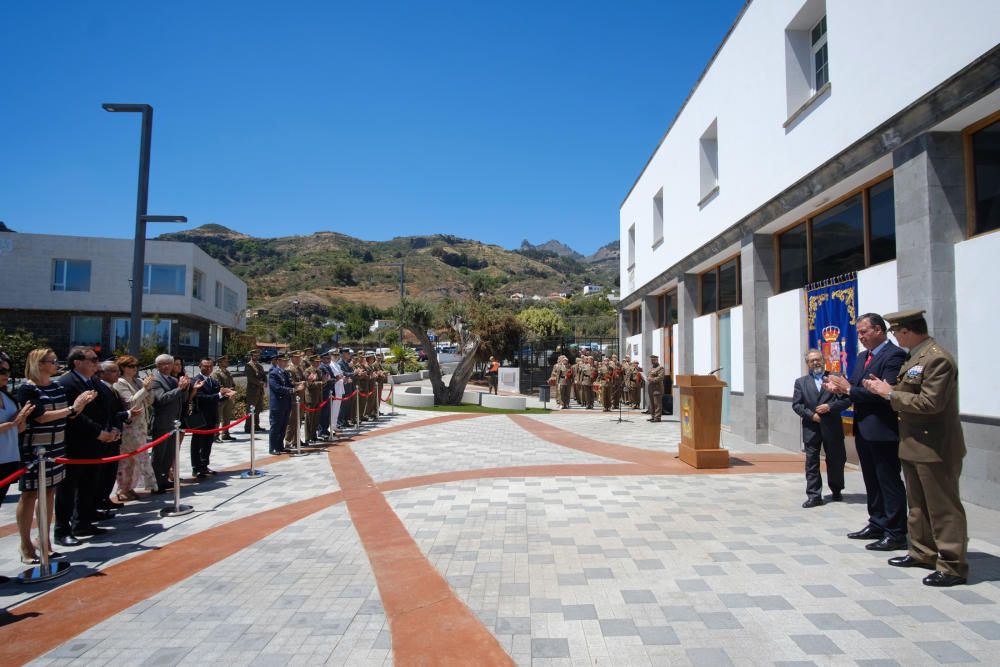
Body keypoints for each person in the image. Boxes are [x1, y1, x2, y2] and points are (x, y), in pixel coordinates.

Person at [863, 309, 969, 587]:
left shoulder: (937, 359)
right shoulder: (915, 357)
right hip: (913, 443)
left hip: (934, 446)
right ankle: (922, 552)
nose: (894, 337)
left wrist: (890, 394)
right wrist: (888, 389)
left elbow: (931, 404)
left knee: (943, 507)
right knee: (919, 505)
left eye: (896, 332)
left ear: (907, 331)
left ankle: (952, 564)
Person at [824, 313, 908, 551]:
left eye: (864, 332)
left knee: (888, 481)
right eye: (859, 333)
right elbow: (856, 386)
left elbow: (884, 393)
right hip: (863, 429)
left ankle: (896, 531)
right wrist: (839, 389)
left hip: (883, 429)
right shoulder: (863, 356)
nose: (860, 337)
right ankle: (877, 522)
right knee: (871, 480)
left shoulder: (894, 355)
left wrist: (850, 389)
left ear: (879, 330)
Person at [17, 349, 96, 559]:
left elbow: (68, 416)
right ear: (39, 363)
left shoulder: (56, 387)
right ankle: (26, 544)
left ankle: (44, 541)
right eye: (52, 361)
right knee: (30, 494)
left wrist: (80, 405)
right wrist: (72, 407)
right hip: (35, 448)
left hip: (56, 447)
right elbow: (40, 417)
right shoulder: (27, 389)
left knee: (50, 493)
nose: (56, 364)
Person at [55, 347, 121, 546]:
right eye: (92, 359)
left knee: (90, 484)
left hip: (97, 443)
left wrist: (112, 429)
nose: (96, 363)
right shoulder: (66, 383)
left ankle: (84, 520)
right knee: (68, 489)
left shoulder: (94, 382)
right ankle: (62, 530)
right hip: (76, 445)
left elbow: (108, 408)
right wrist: (98, 432)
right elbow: (74, 416)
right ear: (77, 362)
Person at [792, 349, 851, 508]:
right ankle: (814, 495)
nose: (816, 363)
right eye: (812, 361)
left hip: (832, 426)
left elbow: (847, 400)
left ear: (824, 360)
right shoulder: (801, 382)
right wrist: (812, 416)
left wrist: (830, 406)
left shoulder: (836, 377)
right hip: (811, 428)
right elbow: (797, 405)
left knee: (836, 460)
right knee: (811, 461)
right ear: (808, 364)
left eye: (818, 359)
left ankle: (836, 489)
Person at [149, 354, 199, 493]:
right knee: (159, 454)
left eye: (168, 364)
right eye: (163, 364)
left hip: (174, 423)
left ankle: (164, 480)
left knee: (169, 454)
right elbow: (161, 399)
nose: (166, 366)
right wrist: (179, 388)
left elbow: (182, 400)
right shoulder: (155, 381)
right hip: (162, 422)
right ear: (157, 366)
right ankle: (156, 483)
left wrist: (185, 387)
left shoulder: (172, 379)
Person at [112, 355, 157, 501]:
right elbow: (130, 403)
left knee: (138, 460)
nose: (134, 369)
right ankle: (122, 488)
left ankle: (131, 487)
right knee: (127, 460)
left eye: (136, 366)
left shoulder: (138, 381)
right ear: (123, 368)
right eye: (131, 366)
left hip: (141, 425)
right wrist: (144, 389)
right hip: (129, 427)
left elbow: (149, 401)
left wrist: (148, 389)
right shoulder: (120, 383)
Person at [190, 358, 235, 478]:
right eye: (205, 366)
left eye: (210, 366)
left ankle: (204, 465)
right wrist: (220, 394)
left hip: (212, 416)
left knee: (208, 443)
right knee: (197, 443)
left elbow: (216, 398)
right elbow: (201, 397)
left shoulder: (213, 381)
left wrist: (227, 395)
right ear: (200, 366)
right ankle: (196, 468)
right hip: (200, 417)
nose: (208, 368)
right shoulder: (195, 381)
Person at [267, 353, 301, 454]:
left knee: (283, 426)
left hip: (286, 403)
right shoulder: (273, 373)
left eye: (286, 361)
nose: (286, 363)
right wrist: (292, 390)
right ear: (278, 362)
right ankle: (272, 447)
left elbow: (290, 384)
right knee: (276, 426)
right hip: (277, 404)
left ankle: (280, 446)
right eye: (284, 361)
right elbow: (277, 388)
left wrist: (299, 385)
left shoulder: (285, 373)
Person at [211, 355, 237, 442]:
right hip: (221, 398)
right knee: (217, 418)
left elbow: (233, 384)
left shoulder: (228, 372)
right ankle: (215, 435)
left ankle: (225, 434)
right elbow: (218, 386)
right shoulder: (216, 373)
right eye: (225, 361)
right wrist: (229, 391)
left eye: (227, 361)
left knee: (227, 417)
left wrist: (233, 389)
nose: (227, 362)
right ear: (220, 362)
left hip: (229, 398)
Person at [244, 349, 268, 433]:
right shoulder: (248, 365)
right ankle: (248, 427)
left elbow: (264, 375)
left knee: (258, 409)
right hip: (252, 391)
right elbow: (251, 378)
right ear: (251, 356)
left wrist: (265, 381)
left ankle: (256, 425)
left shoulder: (259, 365)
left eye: (258, 355)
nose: (257, 357)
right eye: (255, 355)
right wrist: (260, 383)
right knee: (251, 409)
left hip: (260, 391)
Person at [646, 355, 666, 422]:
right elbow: (648, 375)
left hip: (657, 388)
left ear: (656, 360)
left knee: (657, 403)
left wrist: (652, 379)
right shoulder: (651, 368)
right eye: (651, 360)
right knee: (652, 403)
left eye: (653, 360)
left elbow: (660, 378)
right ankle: (653, 416)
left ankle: (657, 417)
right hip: (651, 388)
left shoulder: (661, 368)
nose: (652, 361)